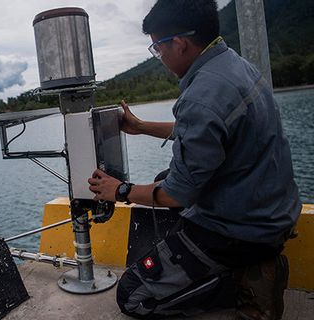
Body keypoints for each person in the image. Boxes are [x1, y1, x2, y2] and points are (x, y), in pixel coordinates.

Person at [87, 0, 302, 319]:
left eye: (157, 48)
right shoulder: (232, 66)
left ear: (179, 43)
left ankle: (246, 283)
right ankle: (237, 264)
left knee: (133, 296)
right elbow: (212, 129)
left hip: (240, 231)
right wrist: (143, 127)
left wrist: (120, 191)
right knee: (163, 177)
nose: (159, 57)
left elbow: (177, 194)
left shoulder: (202, 95)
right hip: (270, 211)